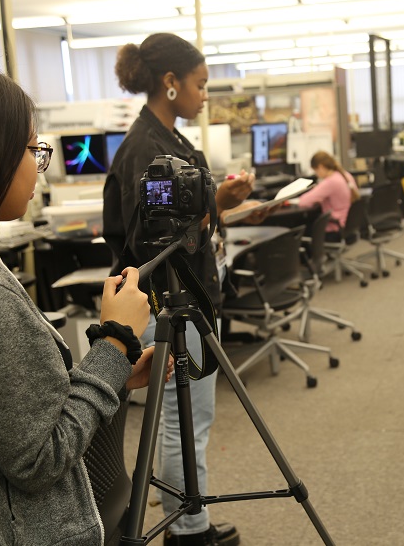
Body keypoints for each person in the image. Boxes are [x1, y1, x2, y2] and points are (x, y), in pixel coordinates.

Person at [0, 60, 167, 545]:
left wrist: (112, 374)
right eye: (31, 148)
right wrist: (115, 340)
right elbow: (40, 458)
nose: (38, 162)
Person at [104, 33, 259, 546]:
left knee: (190, 418)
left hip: (189, 296)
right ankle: (189, 529)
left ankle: (190, 521)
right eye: (201, 83)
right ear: (171, 82)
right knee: (184, 422)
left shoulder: (169, 140)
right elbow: (148, 239)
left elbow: (180, 219)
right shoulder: (146, 149)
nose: (205, 94)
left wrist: (223, 203)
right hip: (170, 301)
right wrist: (214, 203)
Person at [296, 150, 359, 241]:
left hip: (335, 229)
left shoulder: (330, 182)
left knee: (302, 229)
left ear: (320, 167)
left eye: (316, 171)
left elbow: (303, 202)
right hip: (348, 225)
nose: (317, 175)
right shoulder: (345, 175)